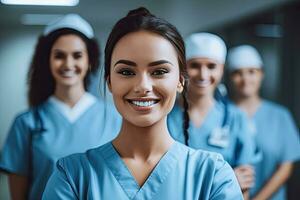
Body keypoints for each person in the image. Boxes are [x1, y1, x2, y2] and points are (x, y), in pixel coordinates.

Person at [42, 7, 243, 199]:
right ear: (109, 81)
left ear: (180, 81)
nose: (143, 86)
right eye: (127, 72)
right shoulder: (71, 177)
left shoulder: (213, 176)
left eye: (159, 72)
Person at [0, 14, 121, 199]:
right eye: (59, 56)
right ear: (47, 60)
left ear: (90, 61)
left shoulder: (115, 118)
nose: (68, 64)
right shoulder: (26, 123)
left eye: (77, 55)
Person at [167, 33, 258, 198]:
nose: (203, 75)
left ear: (222, 69)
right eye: (195, 65)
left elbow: (244, 187)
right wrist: (225, 179)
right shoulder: (163, 116)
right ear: (183, 68)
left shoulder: (236, 119)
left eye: (211, 66)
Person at [227, 44, 300, 200]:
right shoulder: (220, 114)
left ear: (262, 74)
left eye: (252, 72)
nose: (245, 79)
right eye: (238, 73)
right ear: (229, 77)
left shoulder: (280, 116)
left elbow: (285, 167)